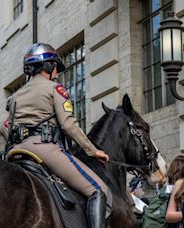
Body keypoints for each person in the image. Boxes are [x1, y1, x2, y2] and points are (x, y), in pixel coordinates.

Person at [7, 43, 110, 228]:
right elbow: (68, 125)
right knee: (98, 190)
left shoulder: (15, 96)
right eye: (55, 66)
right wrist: (93, 151)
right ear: (47, 66)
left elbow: (10, 131)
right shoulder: (55, 89)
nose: (56, 72)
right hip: (44, 148)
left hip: (16, 151)